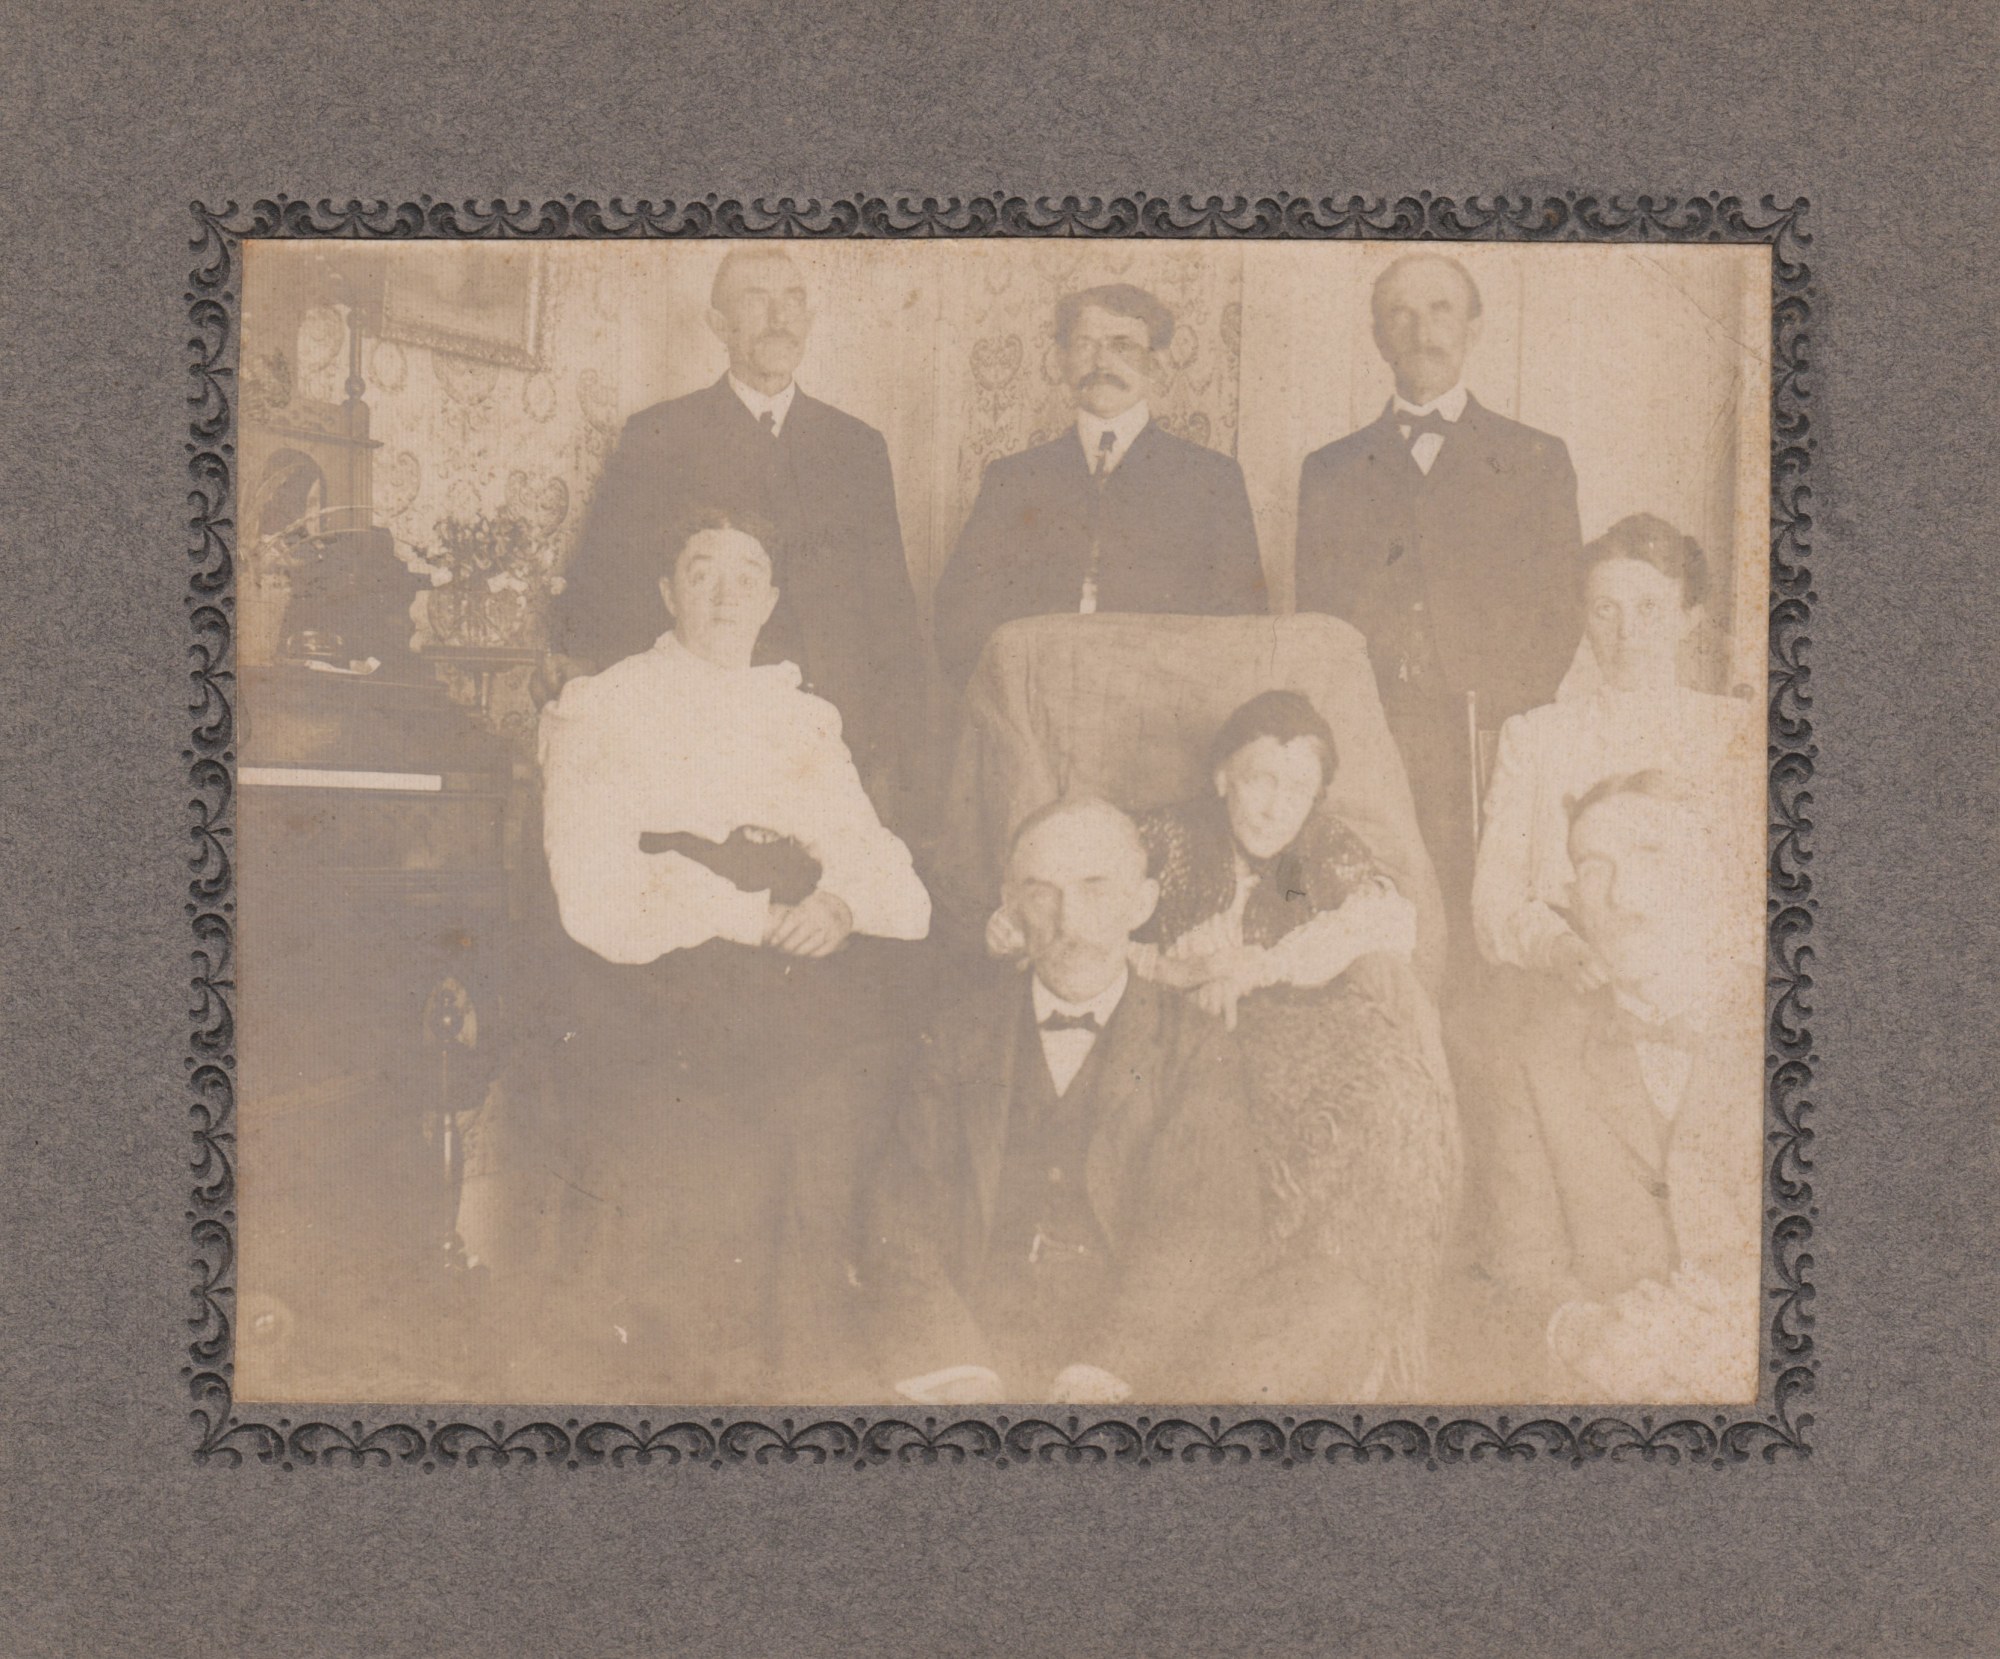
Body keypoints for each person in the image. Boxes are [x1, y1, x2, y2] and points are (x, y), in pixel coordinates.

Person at [537, 508, 931, 1399]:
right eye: (701, 570)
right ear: (666, 590)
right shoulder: (607, 705)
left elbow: (878, 860)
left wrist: (839, 903)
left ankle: (812, 1360)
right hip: (661, 966)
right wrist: (752, 916)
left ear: (771, 600)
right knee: (738, 1098)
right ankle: (703, 1368)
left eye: (747, 576)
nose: (725, 595)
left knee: (863, 1066)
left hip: (795, 949)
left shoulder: (799, 716)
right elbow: (593, 890)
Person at [864, 795, 1265, 1406]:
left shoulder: (1195, 1044)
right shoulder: (959, 1036)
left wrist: (1107, 1366)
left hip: (1124, 1362)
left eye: (1095, 889)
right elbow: (901, 1215)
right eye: (1041, 892)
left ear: (1142, 903)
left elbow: (1204, 1229)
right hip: (978, 1348)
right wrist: (958, 1366)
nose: (1068, 921)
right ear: (1010, 904)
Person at [1122, 691, 1462, 1399]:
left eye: (1299, 789)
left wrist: (1258, 968)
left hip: (1294, 1030)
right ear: (1223, 776)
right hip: (1173, 1033)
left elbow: (1384, 919)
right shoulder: (1160, 836)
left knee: (1376, 1117)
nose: (1277, 807)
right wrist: (1174, 971)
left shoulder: (1321, 847)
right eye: (1261, 780)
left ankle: (1351, 1331)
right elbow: (1086, 921)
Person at [550, 246, 924, 824]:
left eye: (793, 300)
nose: (780, 317)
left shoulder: (857, 447)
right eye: (757, 299)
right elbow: (604, 597)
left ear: (809, 319)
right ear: (718, 324)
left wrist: (890, 747)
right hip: (702, 732)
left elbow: (891, 610)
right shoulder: (659, 435)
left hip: (833, 737)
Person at [1293, 253, 1582, 942]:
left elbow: (1560, 610)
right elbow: (1318, 620)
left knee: (1485, 906)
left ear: (1473, 329)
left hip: (1489, 733)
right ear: (1377, 338)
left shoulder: (1536, 458)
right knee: (1379, 902)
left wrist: (1504, 719)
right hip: (1375, 730)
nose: (1422, 331)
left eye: (1440, 310)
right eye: (1401, 314)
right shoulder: (1329, 469)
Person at [1483, 771, 1763, 1401]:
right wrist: (1581, 1334)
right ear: (1573, 903)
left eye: (1651, 853)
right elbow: (1518, 1277)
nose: (1623, 893)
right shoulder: (1535, 1058)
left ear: (1714, 873)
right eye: (1594, 868)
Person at [931, 282, 1267, 689]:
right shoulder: (1013, 479)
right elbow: (960, 612)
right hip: (1036, 703)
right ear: (1061, 360)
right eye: (1085, 343)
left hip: (1163, 707)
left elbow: (1241, 623)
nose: (1102, 361)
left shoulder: (1211, 479)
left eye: (1122, 345)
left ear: (1157, 361)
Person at [1473, 513, 1752, 986]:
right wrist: (1554, 947)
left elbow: (1753, 896)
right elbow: (1494, 899)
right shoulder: (1535, 737)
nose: (1627, 632)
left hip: (1700, 986)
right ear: (1586, 620)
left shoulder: (1733, 732)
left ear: (1687, 618)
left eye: (1648, 608)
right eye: (1606, 609)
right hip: (1571, 986)